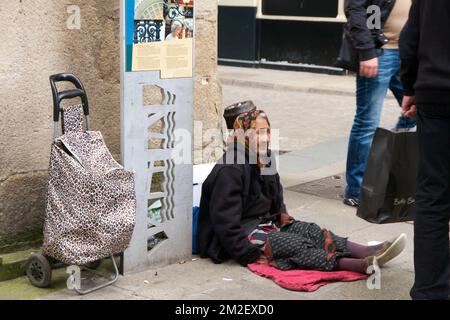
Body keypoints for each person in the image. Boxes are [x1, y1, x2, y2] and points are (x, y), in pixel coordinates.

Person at [198, 110, 406, 273]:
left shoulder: (265, 157)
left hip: (265, 222)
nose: (265, 138)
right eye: (257, 133)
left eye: (267, 131)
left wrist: (286, 221)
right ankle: (359, 264)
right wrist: (246, 254)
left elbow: (276, 197)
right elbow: (225, 223)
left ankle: (366, 250)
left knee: (312, 231)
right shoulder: (231, 168)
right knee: (294, 244)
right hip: (237, 237)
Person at [342, 0, 416, 207]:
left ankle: (394, 178)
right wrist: (367, 50)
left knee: (418, 115)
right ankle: (356, 190)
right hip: (382, 53)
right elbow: (357, 8)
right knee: (367, 123)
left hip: (411, 54)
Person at [400, 0, 450, 300]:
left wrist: (410, 86)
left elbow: (410, 37)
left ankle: (431, 291)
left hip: (435, 92)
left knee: (433, 197)